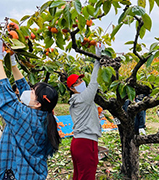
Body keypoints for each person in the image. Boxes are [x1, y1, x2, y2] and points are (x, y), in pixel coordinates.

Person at [0, 40, 61, 180]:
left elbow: (7, 96)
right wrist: (13, 63)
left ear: (38, 103)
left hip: (16, 174)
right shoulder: (46, 117)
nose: (29, 92)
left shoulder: (23, 116)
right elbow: (24, 89)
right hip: (35, 174)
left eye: (33, 92)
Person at [67, 42, 105, 180]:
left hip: (78, 142)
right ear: (71, 88)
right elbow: (94, 82)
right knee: (87, 177)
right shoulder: (84, 98)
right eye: (77, 82)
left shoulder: (76, 101)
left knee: (79, 176)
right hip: (86, 144)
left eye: (80, 80)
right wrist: (98, 57)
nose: (81, 83)